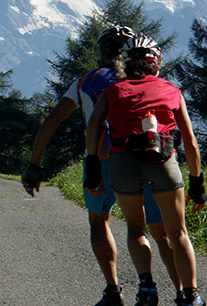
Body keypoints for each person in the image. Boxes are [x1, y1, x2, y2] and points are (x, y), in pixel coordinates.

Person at [22, 25, 181, 306]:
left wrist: (35, 164)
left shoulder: (85, 81)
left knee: (100, 222)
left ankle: (113, 291)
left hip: (101, 162)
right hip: (150, 157)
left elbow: (53, 119)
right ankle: (183, 292)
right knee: (161, 230)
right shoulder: (148, 80)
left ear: (101, 51)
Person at [86, 34, 206, 306]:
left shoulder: (112, 91)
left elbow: (94, 124)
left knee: (136, 229)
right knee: (178, 233)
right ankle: (191, 296)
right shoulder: (170, 90)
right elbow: (190, 142)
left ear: (127, 64)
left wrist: (93, 167)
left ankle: (147, 288)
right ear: (156, 63)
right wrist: (198, 185)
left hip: (123, 164)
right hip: (163, 162)